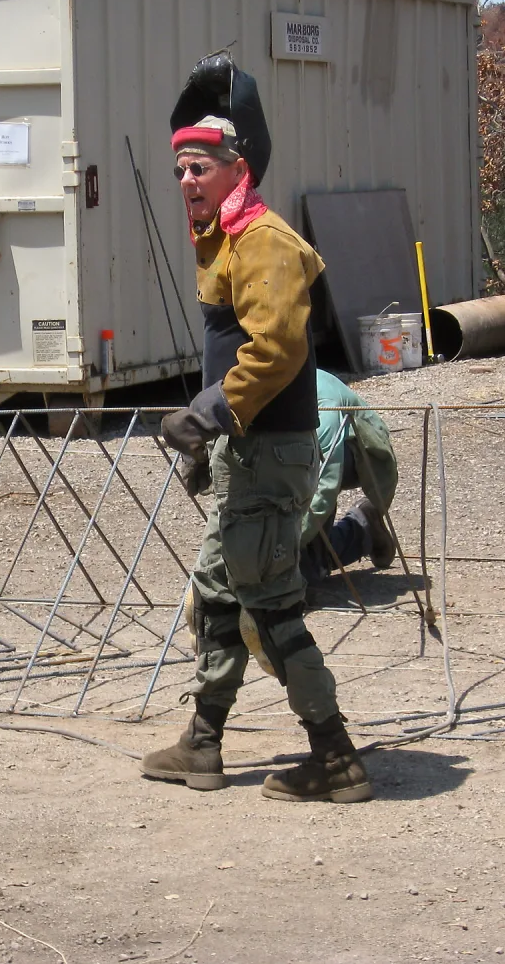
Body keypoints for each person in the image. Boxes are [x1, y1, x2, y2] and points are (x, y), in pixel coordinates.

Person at [143, 55, 372, 803]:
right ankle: (203, 744)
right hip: (249, 450)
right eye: (179, 169)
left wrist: (211, 412)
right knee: (216, 595)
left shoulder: (265, 240)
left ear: (238, 166)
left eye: (199, 166)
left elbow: (276, 348)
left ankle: (336, 758)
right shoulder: (228, 242)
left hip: (273, 453)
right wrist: (214, 441)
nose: (186, 181)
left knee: (270, 606)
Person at [301, 370, 399, 585]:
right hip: (313, 453)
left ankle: (358, 531)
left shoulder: (323, 405)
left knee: (304, 568)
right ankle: (361, 530)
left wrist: (288, 546)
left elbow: (324, 485)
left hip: (360, 451)